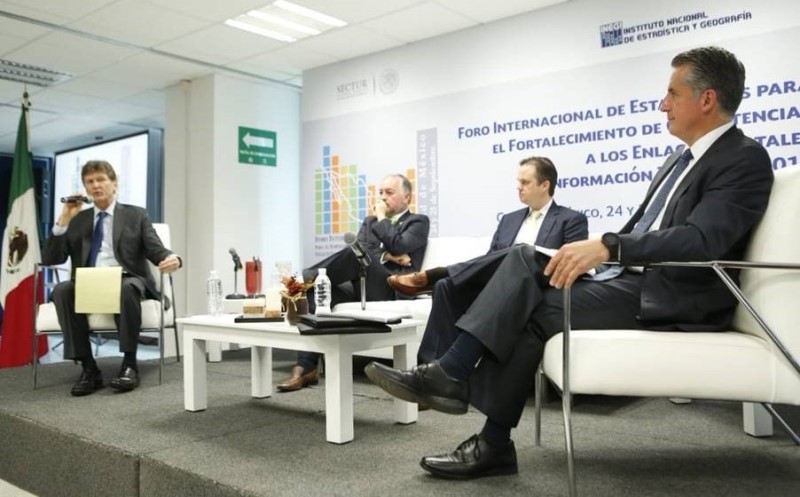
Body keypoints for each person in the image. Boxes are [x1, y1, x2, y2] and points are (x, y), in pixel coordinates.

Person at [365, 46, 773, 480]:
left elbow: (701, 241)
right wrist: (605, 256)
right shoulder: (679, 160)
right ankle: (475, 414)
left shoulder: (742, 158)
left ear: (706, 99)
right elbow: (650, 229)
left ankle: (463, 393)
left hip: (679, 295)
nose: (662, 104)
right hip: (632, 279)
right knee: (525, 263)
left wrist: (609, 247)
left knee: (532, 303)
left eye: (672, 93)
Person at [388, 156, 588, 363]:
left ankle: (438, 272)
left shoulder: (571, 220)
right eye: (518, 182)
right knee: (445, 286)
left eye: (525, 182)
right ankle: (429, 368)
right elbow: (490, 259)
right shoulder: (509, 219)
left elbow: (570, 264)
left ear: (545, 185)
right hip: (496, 285)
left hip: (533, 289)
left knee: (520, 252)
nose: (518, 187)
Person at [277, 173, 430, 392]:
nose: (383, 198)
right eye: (381, 193)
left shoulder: (418, 222)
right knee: (319, 291)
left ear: (407, 197)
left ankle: (302, 279)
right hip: (362, 285)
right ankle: (306, 367)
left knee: (351, 254)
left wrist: (381, 220)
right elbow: (366, 249)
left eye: (389, 192)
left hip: (392, 287)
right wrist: (387, 255)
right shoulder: (369, 223)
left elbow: (398, 244)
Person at [42, 160, 181, 396]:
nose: (96, 186)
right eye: (90, 182)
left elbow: (155, 249)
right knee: (62, 290)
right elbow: (51, 258)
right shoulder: (77, 219)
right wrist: (63, 220)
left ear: (114, 183)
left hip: (127, 278)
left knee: (126, 288)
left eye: (101, 180)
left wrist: (173, 258)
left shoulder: (136, 215)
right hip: (88, 281)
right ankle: (89, 368)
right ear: (85, 188)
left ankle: (129, 365)